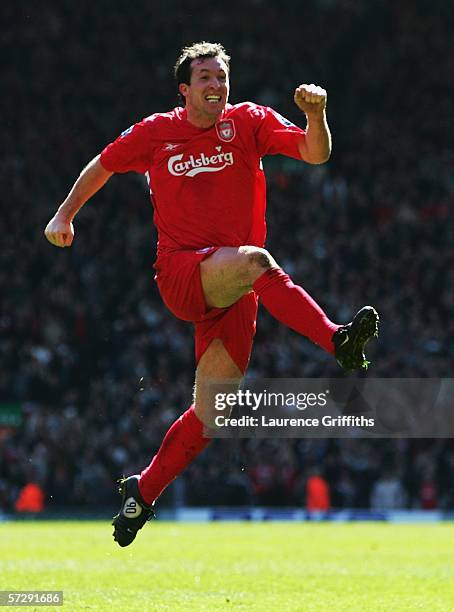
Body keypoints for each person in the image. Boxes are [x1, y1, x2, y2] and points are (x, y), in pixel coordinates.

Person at [44, 41, 379, 546]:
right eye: (205, 78)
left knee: (211, 413)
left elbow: (316, 152)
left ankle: (142, 494)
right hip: (182, 272)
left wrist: (317, 115)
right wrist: (65, 213)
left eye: (222, 77)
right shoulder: (157, 132)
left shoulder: (249, 121)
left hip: (233, 289)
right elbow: (105, 164)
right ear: (185, 89)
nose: (217, 86)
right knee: (256, 260)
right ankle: (337, 340)